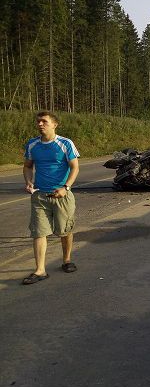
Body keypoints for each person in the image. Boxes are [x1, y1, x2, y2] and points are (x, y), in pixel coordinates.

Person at [22, 111, 80, 285]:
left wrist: (66, 187)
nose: (40, 124)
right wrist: (29, 181)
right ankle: (40, 270)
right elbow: (27, 166)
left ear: (55, 124)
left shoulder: (65, 143)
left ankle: (67, 260)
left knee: (65, 230)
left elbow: (75, 167)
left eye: (44, 121)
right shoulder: (32, 144)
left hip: (61, 195)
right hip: (40, 195)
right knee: (39, 232)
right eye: (38, 121)